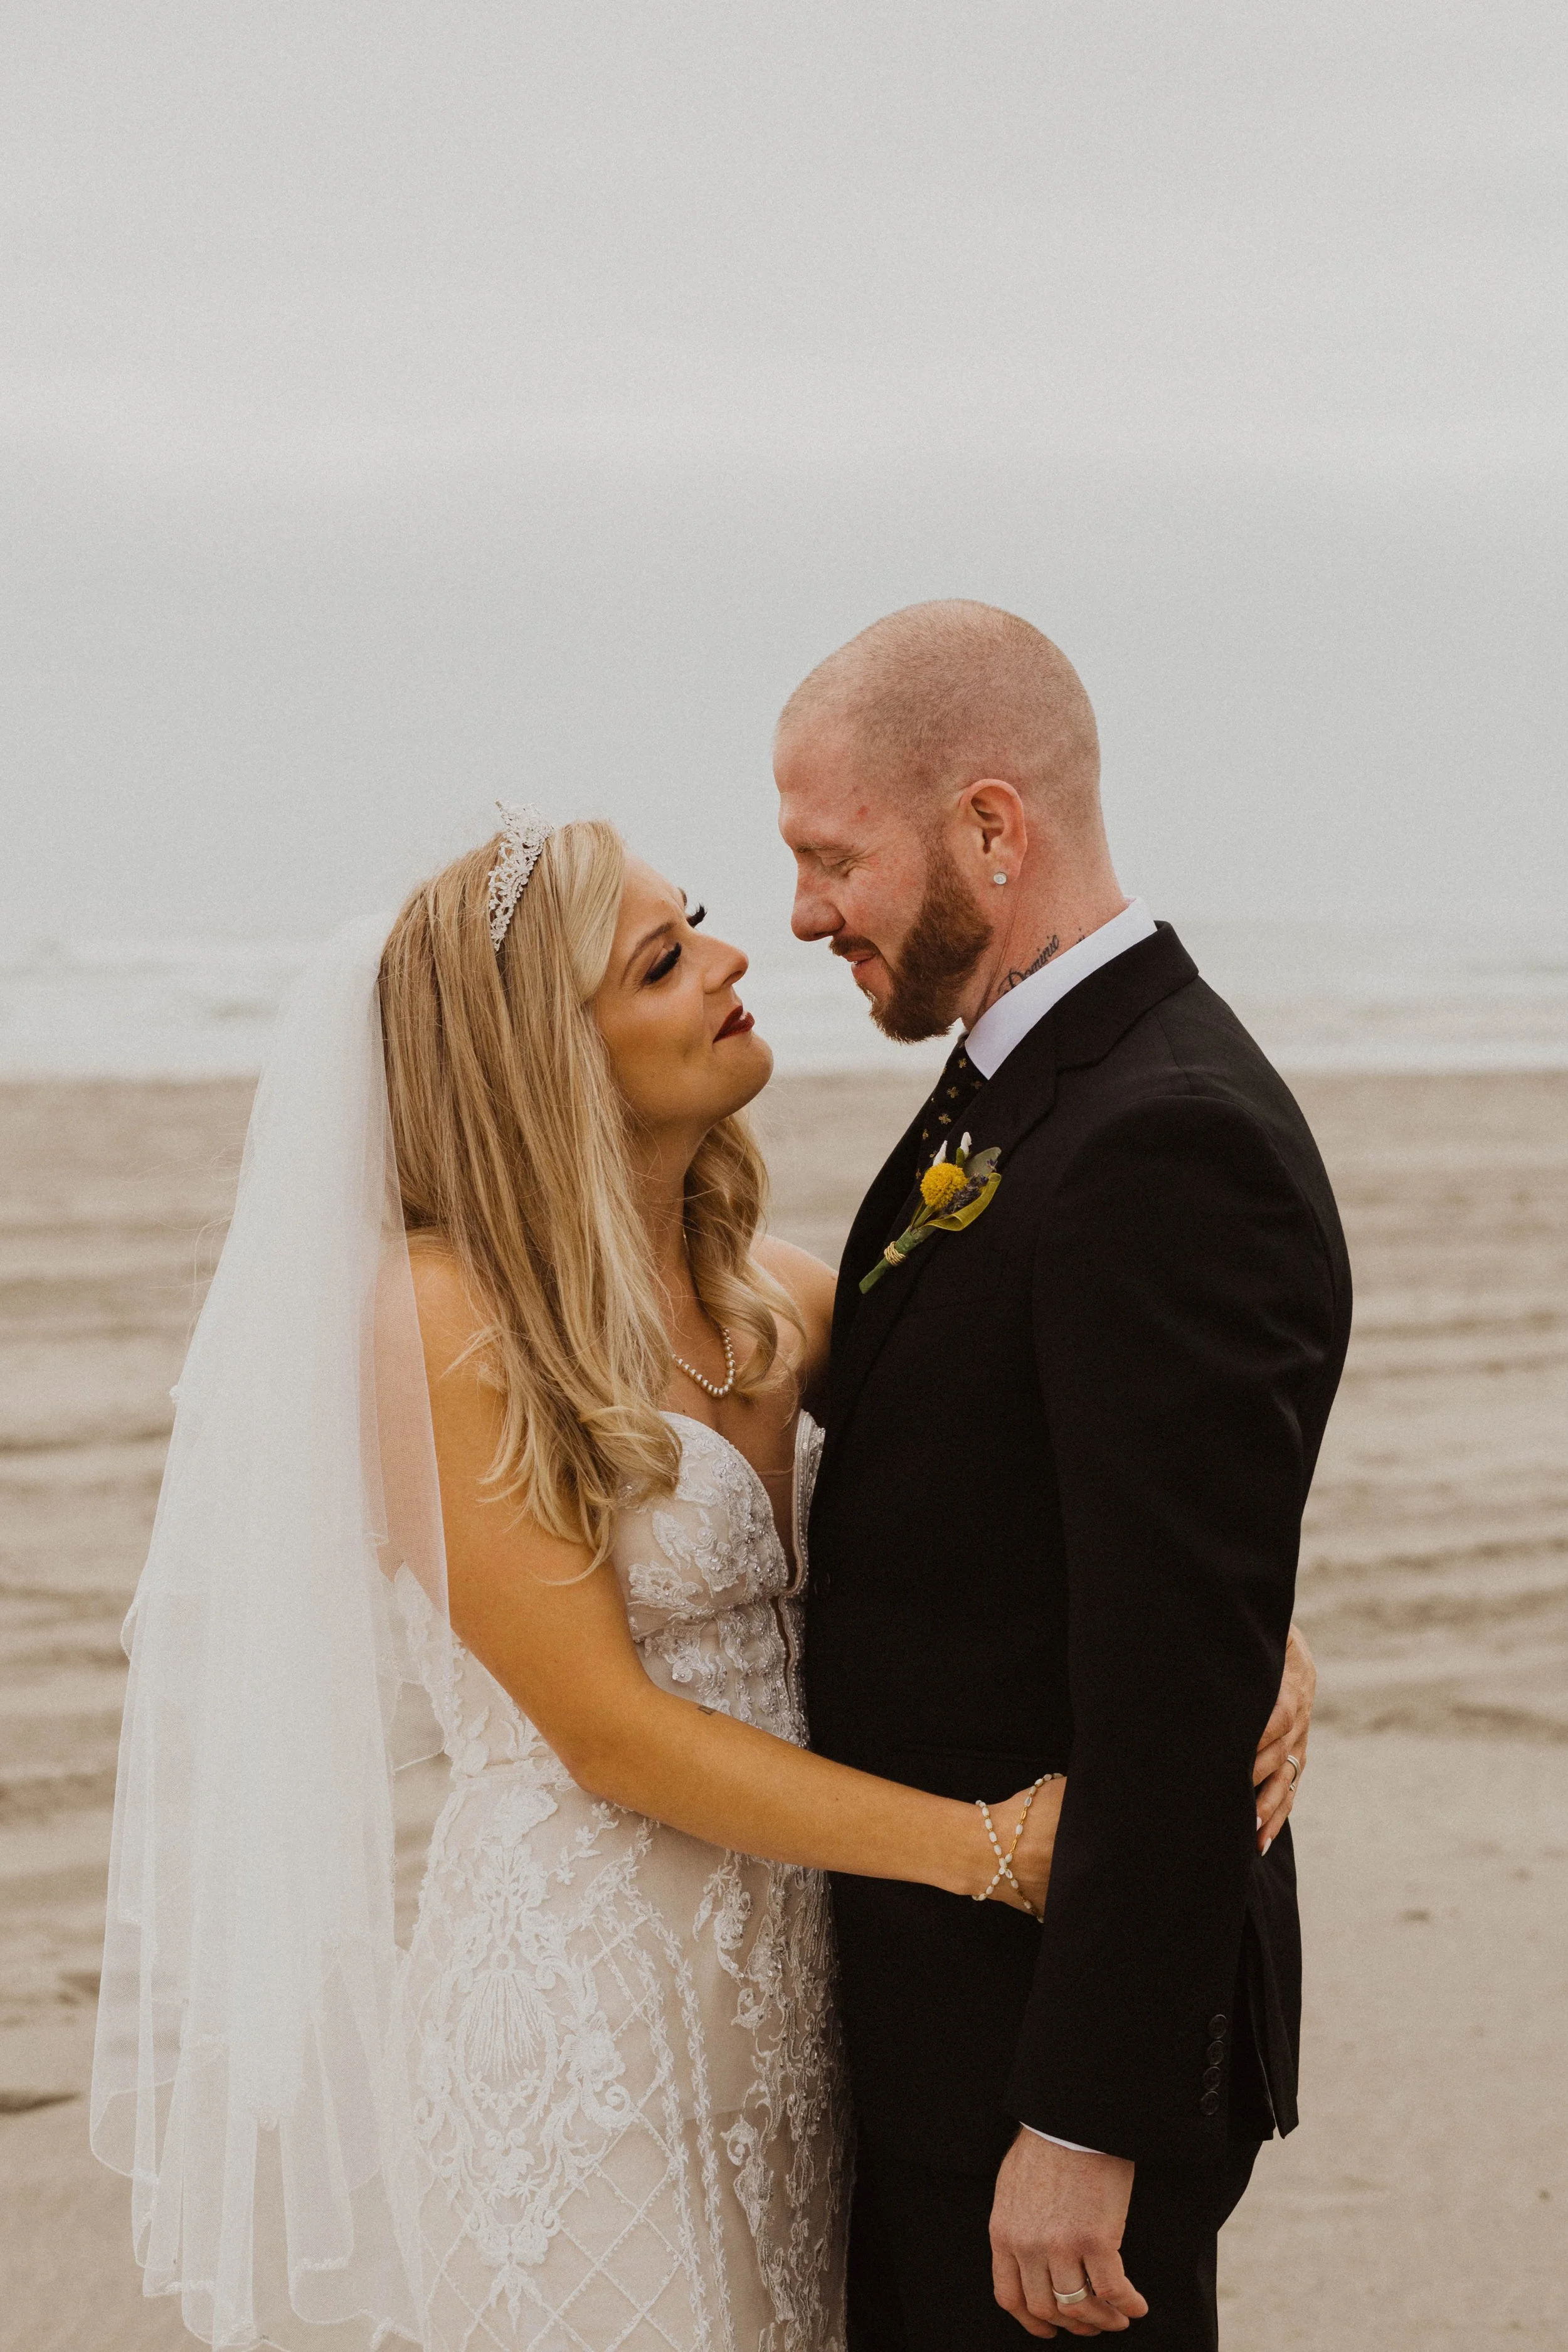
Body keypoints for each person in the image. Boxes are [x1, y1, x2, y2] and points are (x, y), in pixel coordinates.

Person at [93, 797, 1313, 2352]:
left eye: (699, 922)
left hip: (798, 2003)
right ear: (549, 1060)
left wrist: (1254, 1634)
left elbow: (1058, 1481)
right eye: (664, 962)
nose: (740, 957)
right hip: (586, 2013)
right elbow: (605, 1731)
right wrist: (991, 1849)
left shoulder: (774, 1298)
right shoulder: (441, 1316)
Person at [775, 599, 1349, 2349]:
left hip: (1043, 2063)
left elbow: (1173, 1683)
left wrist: (1082, 2118)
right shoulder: (1016, 1087)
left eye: (828, 855)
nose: (802, 910)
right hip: (946, 2027)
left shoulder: (1163, 1138)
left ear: (990, 828)